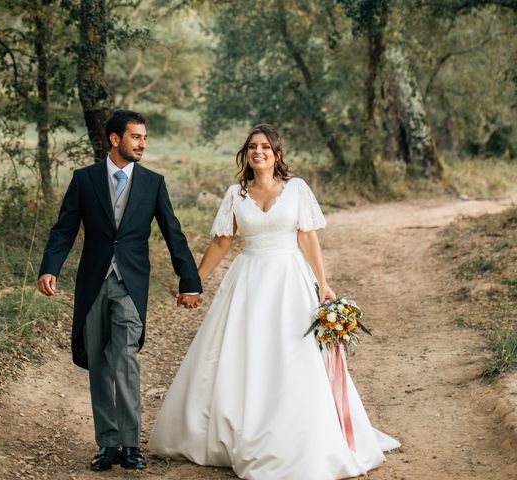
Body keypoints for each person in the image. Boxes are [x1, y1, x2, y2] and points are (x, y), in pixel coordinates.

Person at [148, 124, 400, 479]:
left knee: (293, 354)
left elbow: (307, 237)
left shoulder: (296, 189)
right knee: (245, 354)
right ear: (246, 154)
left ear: (276, 154)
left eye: (265, 146)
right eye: (252, 146)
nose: (259, 151)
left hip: (290, 280)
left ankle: (298, 433)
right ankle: (238, 429)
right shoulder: (236, 194)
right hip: (249, 279)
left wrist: (323, 284)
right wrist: (194, 282)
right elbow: (222, 242)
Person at [37, 110, 202, 472]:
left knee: (125, 361)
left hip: (131, 284)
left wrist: (188, 278)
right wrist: (50, 267)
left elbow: (173, 232)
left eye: (144, 138)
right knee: (98, 363)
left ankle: (131, 444)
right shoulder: (84, 180)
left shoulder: (153, 183)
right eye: (136, 137)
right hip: (93, 282)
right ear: (115, 139)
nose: (142, 144)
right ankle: (107, 444)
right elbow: (64, 228)